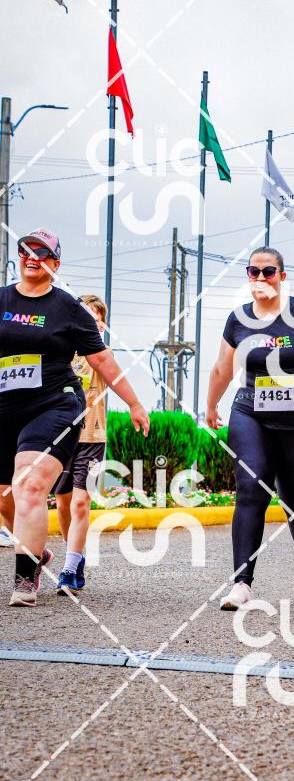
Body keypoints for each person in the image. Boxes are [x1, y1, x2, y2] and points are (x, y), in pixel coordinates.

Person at [0, 229, 150, 607]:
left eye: (42, 253)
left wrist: (134, 403)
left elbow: (103, 360)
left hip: (54, 404)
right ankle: (35, 552)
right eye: (26, 251)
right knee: (4, 498)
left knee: (30, 483)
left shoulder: (68, 308)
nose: (32, 257)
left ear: (56, 263)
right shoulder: (2, 300)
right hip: (6, 408)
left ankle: (24, 580)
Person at [205, 246, 294, 610]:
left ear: (282, 276)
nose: (260, 278)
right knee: (250, 488)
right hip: (251, 413)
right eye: (253, 271)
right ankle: (242, 583)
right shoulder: (238, 319)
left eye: (268, 271)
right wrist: (211, 405)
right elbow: (223, 369)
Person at [54, 295, 109, 594]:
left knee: (80, 502)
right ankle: (74, 556)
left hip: (92, 438)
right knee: (62, 502)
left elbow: (113, 374)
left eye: (98, 319)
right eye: (88, 317)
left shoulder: (102, 354)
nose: (93, 323)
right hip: (62, 437)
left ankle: (68, 570)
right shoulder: (59, 352)